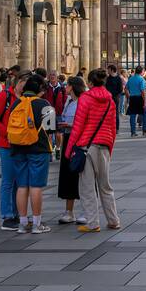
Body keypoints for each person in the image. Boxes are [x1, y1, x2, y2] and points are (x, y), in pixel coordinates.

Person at [67, 68, 121, 233]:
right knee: (105, 186)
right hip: (104, 146)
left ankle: (92, 223)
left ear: (89, 83)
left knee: (87, 186)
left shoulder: (85, 98)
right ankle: (113, 220)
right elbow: (113, 128)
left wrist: (69, 150)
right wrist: (109, 149)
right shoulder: (110, 101)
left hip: (87, 147)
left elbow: (78, 127)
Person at [9, 74, 55, 233]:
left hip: (18, 148)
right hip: (38, 148)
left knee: (22, 186)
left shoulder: (16, 103)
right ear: (41, 89)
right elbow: (51, 128)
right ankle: (37, 223)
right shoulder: (44, 104)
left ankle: (22, 223)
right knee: (36, 186)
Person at [0, 73, 23, 229]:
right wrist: (7, 133)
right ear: (18, 82)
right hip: (7, 144)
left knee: (18, 182)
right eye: (24, 82)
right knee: (8, 180)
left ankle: (17, 213)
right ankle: (7, 215)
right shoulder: (5, 96)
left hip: (22, 144)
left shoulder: (26, 98)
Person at [56, 76, 85, 225]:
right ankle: (69, 211)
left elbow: (86, 123)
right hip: (68, 139)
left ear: (73, 87)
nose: (65, 87)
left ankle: (86, 210)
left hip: (80, 141)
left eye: (67, 85)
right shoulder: (69, 102)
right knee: (68, 175)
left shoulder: (83, 101)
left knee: (82, 175)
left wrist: (70, 125)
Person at [126, 65, 146, 137]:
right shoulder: (142, 79)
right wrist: (145, 101)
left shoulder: (130, 79)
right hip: (140, 98)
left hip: (132, 98)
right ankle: (144, 131)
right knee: (144, 114)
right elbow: (143, 91)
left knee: (132, 115)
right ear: (141, 71)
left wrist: (128, 96)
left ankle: (133, 132)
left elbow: (125, 89)